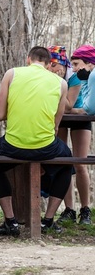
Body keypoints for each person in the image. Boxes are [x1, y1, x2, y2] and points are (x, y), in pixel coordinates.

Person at [0, 46, 72, 236]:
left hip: (13, 145)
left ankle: (10, 221)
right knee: (67, 162)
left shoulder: (11, 74)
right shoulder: (61, 83)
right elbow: (55, 126)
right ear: (49, 64)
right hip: (45, 147)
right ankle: (49, 220)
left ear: (28, 60)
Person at [47, 46, 92, 225]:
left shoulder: (74, 77)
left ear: (64, 65)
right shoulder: (49, 77)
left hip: (79, 118)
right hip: (60, 119)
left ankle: (85, 209)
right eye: (50, 65)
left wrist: (57, 83)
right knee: (63, 162)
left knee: (80, 163)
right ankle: (69, 209)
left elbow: (68, 104)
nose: (54, 69)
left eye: (57, 65)